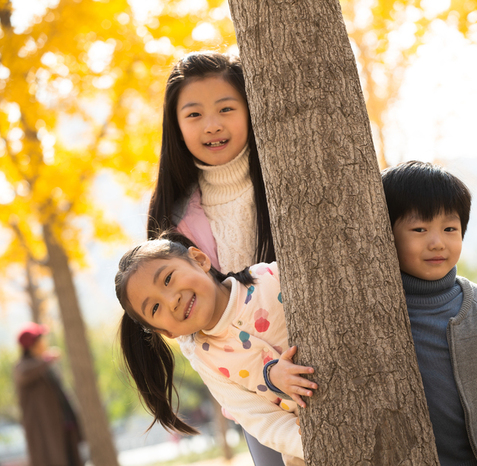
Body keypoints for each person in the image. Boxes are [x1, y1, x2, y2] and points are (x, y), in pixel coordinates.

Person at [146, 51, 280, 464]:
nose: (212, 125)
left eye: (226, 108)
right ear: (176, 126)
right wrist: (261, 377)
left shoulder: (281, 175)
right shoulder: (176, 220)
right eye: (194, 114)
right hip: (251, 381)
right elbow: (190, 329)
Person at [381, 161, 477, 466]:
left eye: (450, 228)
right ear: (386, 234)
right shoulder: (374, 311)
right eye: (419, 229)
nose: (437, 242)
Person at [115, 234, 316, 466]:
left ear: (200, 259)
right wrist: (310, 441)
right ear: (167, 333)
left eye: (168, 278)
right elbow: (258, 418)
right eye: (155, 307)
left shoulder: (269, 278)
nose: (172, 301)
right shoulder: (207, 360)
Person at [14, 322, 83, 466]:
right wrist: (47, 360)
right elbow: (24, 373)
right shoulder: (23, 367)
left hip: (64, 427)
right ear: (32, 344)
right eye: (41, 339)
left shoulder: (43, 365)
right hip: (44, 433)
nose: (45, 343)